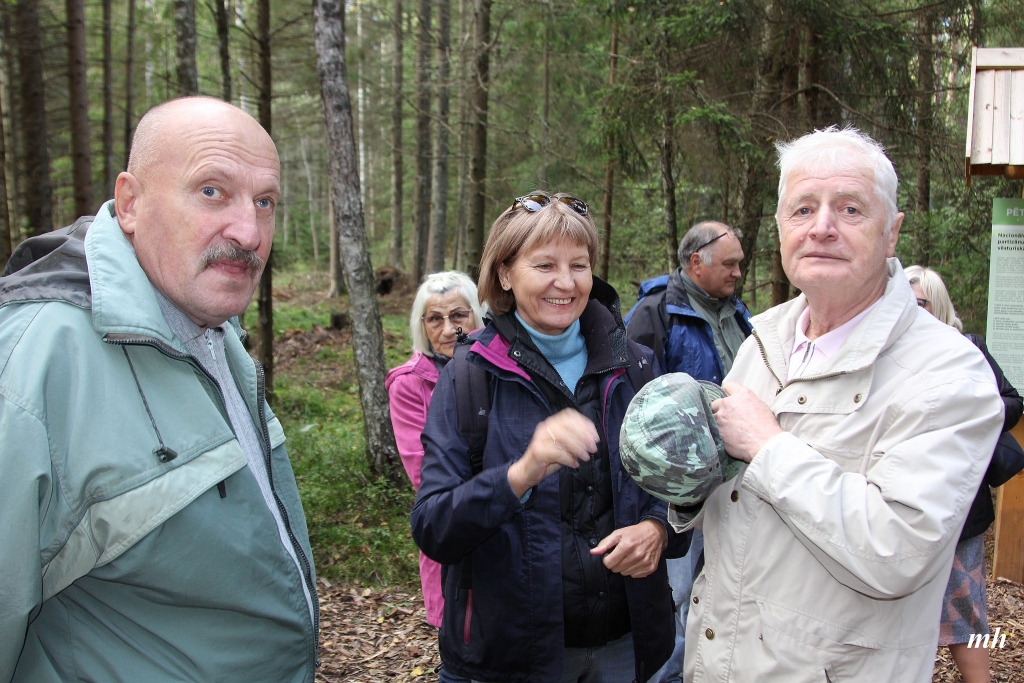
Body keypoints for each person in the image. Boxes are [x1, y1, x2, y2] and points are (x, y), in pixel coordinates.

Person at [0, 97, 319, 682]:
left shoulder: (212, 335)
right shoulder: (35, 365)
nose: (248, 232)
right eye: (211, 192)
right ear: (130, 203)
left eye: (265, 202)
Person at [679, 127, 1004, 682]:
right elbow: (732, 512)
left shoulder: (949, 372)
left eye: (850, 208)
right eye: (803, 209)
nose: (822, 227)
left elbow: (897, 552)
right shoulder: (762, 342)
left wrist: (768, 447)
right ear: (781, 228)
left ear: (892, 233)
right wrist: (681, 484)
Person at [411, 192, 685, 683]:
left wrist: (658, 530)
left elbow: (675, 488)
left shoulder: (636, 365)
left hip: (624, 645)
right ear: (504, 274)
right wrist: (521, 474)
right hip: (511, 653)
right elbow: (433, 527)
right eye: (544, 265)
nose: (566, 282)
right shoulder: (468, 377)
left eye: (579, 265)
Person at [624, 221, 751, 682]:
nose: (739, 272)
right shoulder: (656, 312)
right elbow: (634, 403)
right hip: (677, 491)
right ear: (697, 262)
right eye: (730, 263)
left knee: (717, 584)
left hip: (733, 477)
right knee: (677, 591)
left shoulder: (739, 314)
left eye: (740, 263)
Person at [906, 265, 1024, 683]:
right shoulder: (890, 353)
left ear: (936, 305)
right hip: (903, 504)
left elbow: (1011, 402)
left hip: (959, 507)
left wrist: (970, 413)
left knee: (965, 612)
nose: (909, 308)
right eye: (903, 299)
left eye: (918, 301)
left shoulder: (967, 347)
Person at [386, 271, 485, 627]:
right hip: (452, 534)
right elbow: (424, 473)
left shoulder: (501, 367)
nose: (448, 329)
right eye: (435, 319)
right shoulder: (409, 384)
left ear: (476, 314)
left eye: (458, 315)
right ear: (422, 325)